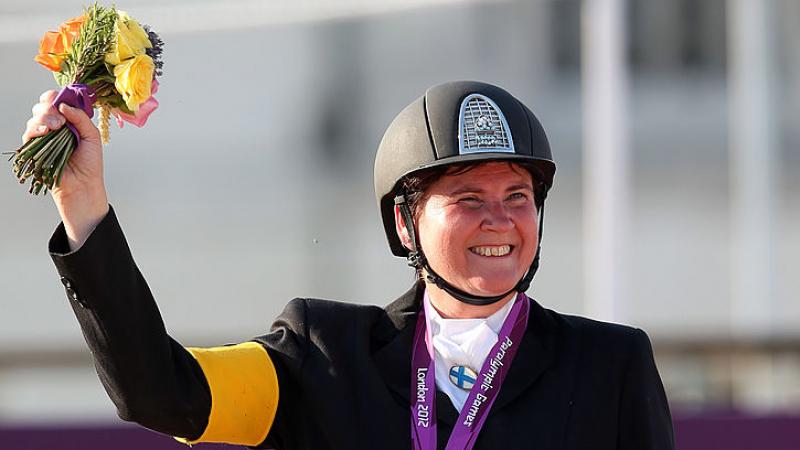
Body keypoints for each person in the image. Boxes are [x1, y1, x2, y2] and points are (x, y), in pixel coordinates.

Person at [25, 81, 674, 449]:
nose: (499, 220)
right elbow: (161, 391)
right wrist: (84, 205)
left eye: (518, 198)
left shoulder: (609, 365)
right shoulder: (323, 353)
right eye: (468, 199)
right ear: (404, 221)